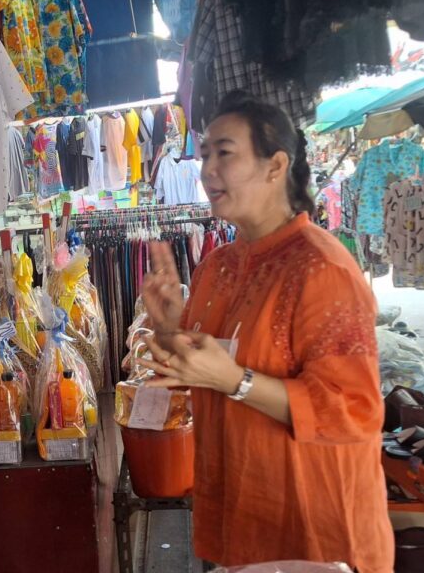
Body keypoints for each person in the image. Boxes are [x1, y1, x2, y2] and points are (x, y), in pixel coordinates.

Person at [138, 91, 394, 572]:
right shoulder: (218, 266)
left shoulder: (322, 268)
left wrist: (236, 381)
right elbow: (200, 369)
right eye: (205, 154)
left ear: (276, 165)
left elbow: (353, 411)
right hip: (240, 513)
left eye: (224, 153)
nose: (207, 170)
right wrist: (169, 326)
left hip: (314, 533)